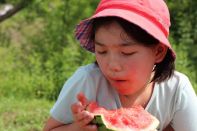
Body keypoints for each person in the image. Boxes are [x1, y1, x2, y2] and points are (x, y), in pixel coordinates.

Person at [43, 0, 197, 131]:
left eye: (127, 52)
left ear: (158, 52)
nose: (112, 66)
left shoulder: (176, 89)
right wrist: (76, 128)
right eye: (102, 51)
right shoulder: (87, 81)